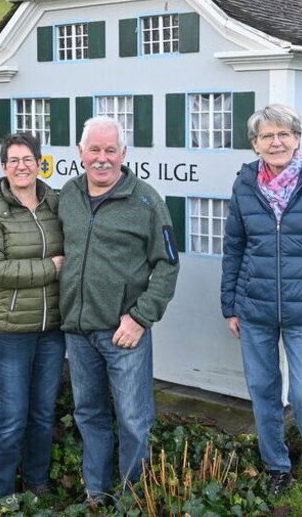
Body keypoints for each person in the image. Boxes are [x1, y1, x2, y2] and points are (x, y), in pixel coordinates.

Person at [220, 104, 302, 506]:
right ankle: (277, 465)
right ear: (255, 143)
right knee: (263, 390)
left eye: (284, 134)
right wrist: (230, 305)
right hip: (254, 308)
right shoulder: (245, 182)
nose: (276, 142)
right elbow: (234, 247)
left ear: (297, 139)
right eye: (267, 136)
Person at [58, 116, 180, 505]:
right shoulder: (68, 195)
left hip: (123, 333)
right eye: (94, 149)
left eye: (111, 150)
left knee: (133, 419)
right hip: (78, 331)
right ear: (80, 152)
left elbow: (168, 264)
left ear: (124, 153)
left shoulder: (146, 201)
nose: (102, 158)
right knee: (89, 414)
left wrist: (140, 318)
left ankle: (133, 499)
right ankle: (96, 493)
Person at [0, 132, 66, 498]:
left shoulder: (55, 204)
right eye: (14, 160)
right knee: (12, 417)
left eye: (28, 159)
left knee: (43, 413)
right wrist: (50, 268)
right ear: (4, 166)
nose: (21, 166)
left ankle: (36, 484)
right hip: (12, 330)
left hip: (52, 327)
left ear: (40, 164)